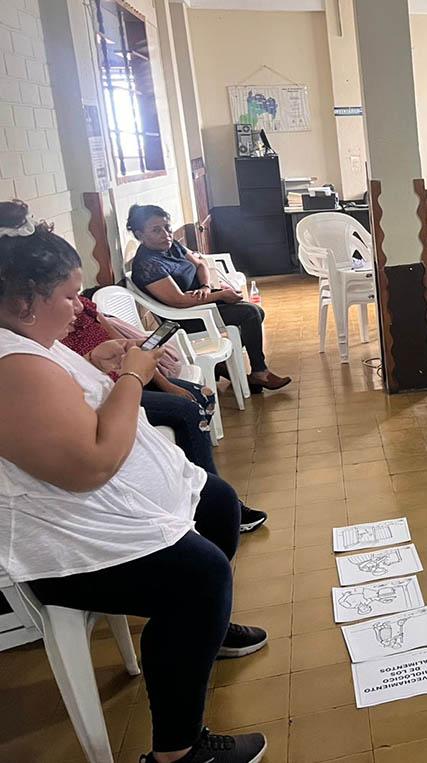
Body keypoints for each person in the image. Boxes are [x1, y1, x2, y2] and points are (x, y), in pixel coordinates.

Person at [0, 220, 269, 762]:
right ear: (26, 302)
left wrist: (95, 365)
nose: (80, 308)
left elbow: (65, 404)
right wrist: (132, 377)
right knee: (201, 577)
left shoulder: (29, 341)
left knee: (217, 502)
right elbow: (92, 464)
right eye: (69, 296)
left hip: (95, 504)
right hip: (68, 543)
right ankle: (178, 752)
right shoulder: (11, 368)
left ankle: (204, 632)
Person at [63, 294, 270, 533]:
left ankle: (197, 481)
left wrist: (168, 385)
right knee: (187, 412)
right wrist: (125, 373)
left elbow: (129, 350)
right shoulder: (48, 340)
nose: (78, 303)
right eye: (68, 296)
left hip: (129, 378)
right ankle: (214, 508)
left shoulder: (84, 309)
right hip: (112, 393)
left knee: (203, 395)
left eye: (76, 294)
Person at [127, 204, 291, 392]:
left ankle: (225, 365)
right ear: (140, 235)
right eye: (156, 230)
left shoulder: (173, 246)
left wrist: (205, 287)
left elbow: (201, 264)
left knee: (255, 312)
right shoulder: (148, 264)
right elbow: (178, 301)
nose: (166, 234)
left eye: (167, 227)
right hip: (185, 317)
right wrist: (220, 295)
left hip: (201, 302)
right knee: (250, 313)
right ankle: (259, 372)